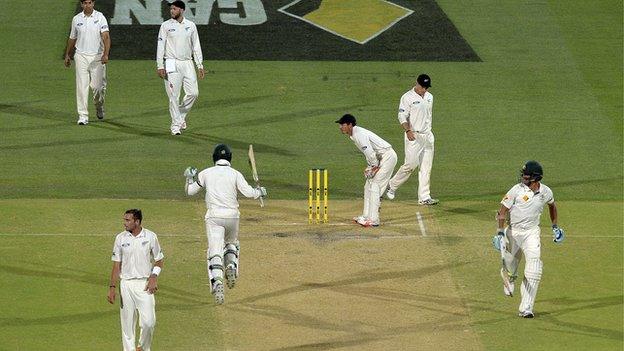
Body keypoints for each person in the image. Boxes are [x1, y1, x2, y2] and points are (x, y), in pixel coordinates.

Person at [184, 144, 266, 304]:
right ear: (230, 158)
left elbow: (190, 191)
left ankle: (218, 282)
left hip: (214, 217)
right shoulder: (235, 174)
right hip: (232, 217)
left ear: (214, 157)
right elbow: (249, 193)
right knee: (231, 245)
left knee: (214, 252)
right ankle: (231, 266)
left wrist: (189, 177)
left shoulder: (206, 172)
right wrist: (260, 192)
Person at [492, 161, 565, 318]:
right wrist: (499, 233)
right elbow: (503, 211)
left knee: (534, 269)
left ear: (537, 179)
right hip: (513, 233)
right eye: (523, 177)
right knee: (512, 267)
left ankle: (526, 308)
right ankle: (510, 277)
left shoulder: (546, 192)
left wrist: (555, 227)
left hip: (532, 233)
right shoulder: (516, 191)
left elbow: (552, 206)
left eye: (528, 178)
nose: (524, 180)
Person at [107, 209, 164, 351]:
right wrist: (112, 288)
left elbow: (159, 260)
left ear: (137, 222)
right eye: (124, 220)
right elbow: (116, 265)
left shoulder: (150, 236)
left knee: (149, 322)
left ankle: (143, 347)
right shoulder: (120, 238)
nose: (124, 223)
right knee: (127, 326)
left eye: (128, 220)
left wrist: (153, 277)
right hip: (126, 284)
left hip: (144, 284)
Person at [336, 114, 397, 227]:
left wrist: (374, 166)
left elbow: (370, 153)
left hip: (387, 157)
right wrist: (370, 166)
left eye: (342, 124)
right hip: (381, 158)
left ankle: (374, 220)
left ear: (350, 125)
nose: (340, 127)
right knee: (367, 185)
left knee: (374, 186)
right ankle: (366, 216)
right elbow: (368, 153)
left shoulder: (359, 134)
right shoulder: (353, 134)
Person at [386, 74, 438, 205]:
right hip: (414, 135)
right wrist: (408, 130)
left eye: (426, 88)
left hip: (427, 136)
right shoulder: (407, 97)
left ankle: (424, 197)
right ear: (417, 84)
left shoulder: (430, 97)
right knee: (410, 165)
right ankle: (391, 186)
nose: (424, 90)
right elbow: (402, 116)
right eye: (423, 87)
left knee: (426, 167)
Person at [156, 0, 205, 136]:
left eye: (175, 9)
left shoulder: (191, 26)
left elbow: (196, 46)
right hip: (171, 63)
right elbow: (160, 46)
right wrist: (160, 65)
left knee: (193, 93)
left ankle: (180, 117)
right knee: (173, 96)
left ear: (182, 10)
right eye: (171, 9)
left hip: (187, 62)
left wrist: (199, 65)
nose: (172, 11)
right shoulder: (165, 26)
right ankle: (175, 126)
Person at [64, 0, 111, 125]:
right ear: (81, 4)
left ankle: (99, 106)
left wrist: (106, 53)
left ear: (93, 3)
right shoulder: (76, 19)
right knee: (81, 86)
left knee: (98, 87)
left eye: (90, 2)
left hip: (97, 57)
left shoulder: (100, 17)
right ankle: (83, 116)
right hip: (80, 56)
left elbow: (106, 36)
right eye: (85, 3)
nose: (87, 5)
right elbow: (72, 38)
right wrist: (68, 54)